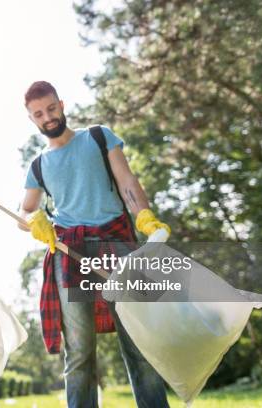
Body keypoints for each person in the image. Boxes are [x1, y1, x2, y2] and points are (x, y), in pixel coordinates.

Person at [19, 81, 171, 408]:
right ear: (31, 119)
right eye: (39, 114)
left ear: (61, 103)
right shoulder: (38, 165)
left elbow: (127, 179)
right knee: (79, 350)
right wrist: (34, 220)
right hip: (69, 251)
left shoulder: (98, 137)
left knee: (137, 340)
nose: (47, 117)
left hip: (115, 241)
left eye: (51, 108)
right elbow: (25, 209)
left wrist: (144, 216)